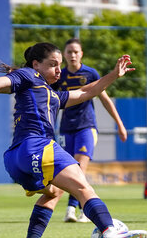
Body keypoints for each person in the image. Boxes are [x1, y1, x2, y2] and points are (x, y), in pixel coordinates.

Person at [0, 42, 147, 238]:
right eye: (53, 64)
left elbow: (87, 91)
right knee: (83, 187)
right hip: (38, 147)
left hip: (16, 159)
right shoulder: (27, 76)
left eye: (60, 65)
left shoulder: (52, 94)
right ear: (36, 64)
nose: (59, 70)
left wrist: (114, 74)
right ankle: (109, 231)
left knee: (54, 192)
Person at [52, 38, 128, 223]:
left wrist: (120, 124)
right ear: (64, 55)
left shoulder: (90, 73)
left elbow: (105, 99)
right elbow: (50, 102)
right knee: (66, 169)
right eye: (69, 51)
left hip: (86, 127)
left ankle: (74, 208)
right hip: (66, 129)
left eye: (76, 51)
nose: (72, 55)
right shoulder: (58, 76)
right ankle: (78, 207)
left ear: (81, 54)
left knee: (79, 167)